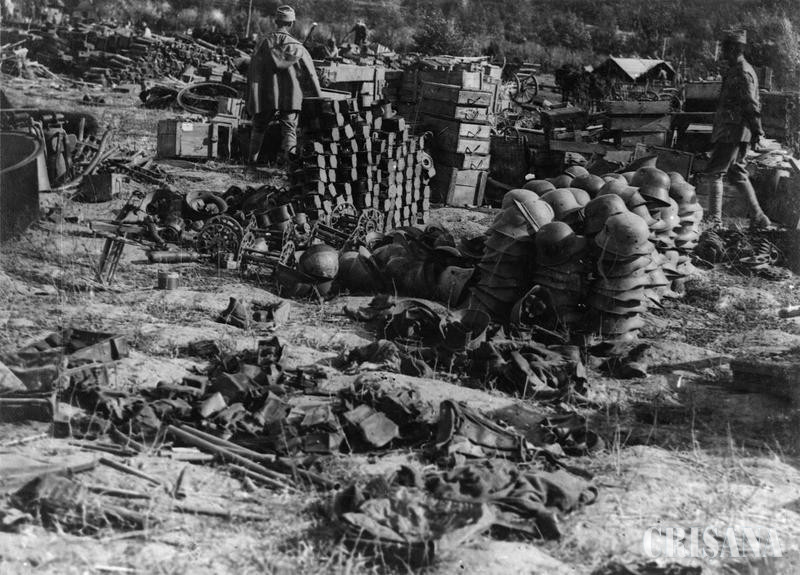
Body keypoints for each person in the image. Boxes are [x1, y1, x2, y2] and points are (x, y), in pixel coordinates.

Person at [701, 29, 770, 228]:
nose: (723, 53)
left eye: (725, 49)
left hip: (733, 131)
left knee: (715, 172)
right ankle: (759, 217)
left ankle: (714, 220)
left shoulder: (742, 72)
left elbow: (751, 105)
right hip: (732, 130)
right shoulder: (736, 70)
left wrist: (757, 131)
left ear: (733, 49)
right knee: (737, 173)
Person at [246, 5, 322, 168]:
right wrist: (319, 98)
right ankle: (288, 168)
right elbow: (311, 75)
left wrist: (252, 95)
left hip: (266, 95)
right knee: (289, 130)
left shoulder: (263, 43)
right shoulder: (298, 47)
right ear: (292, 23)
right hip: (290, 96)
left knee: (259, 127)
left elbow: (253, 70)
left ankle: (251, 163)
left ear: (276, 21)